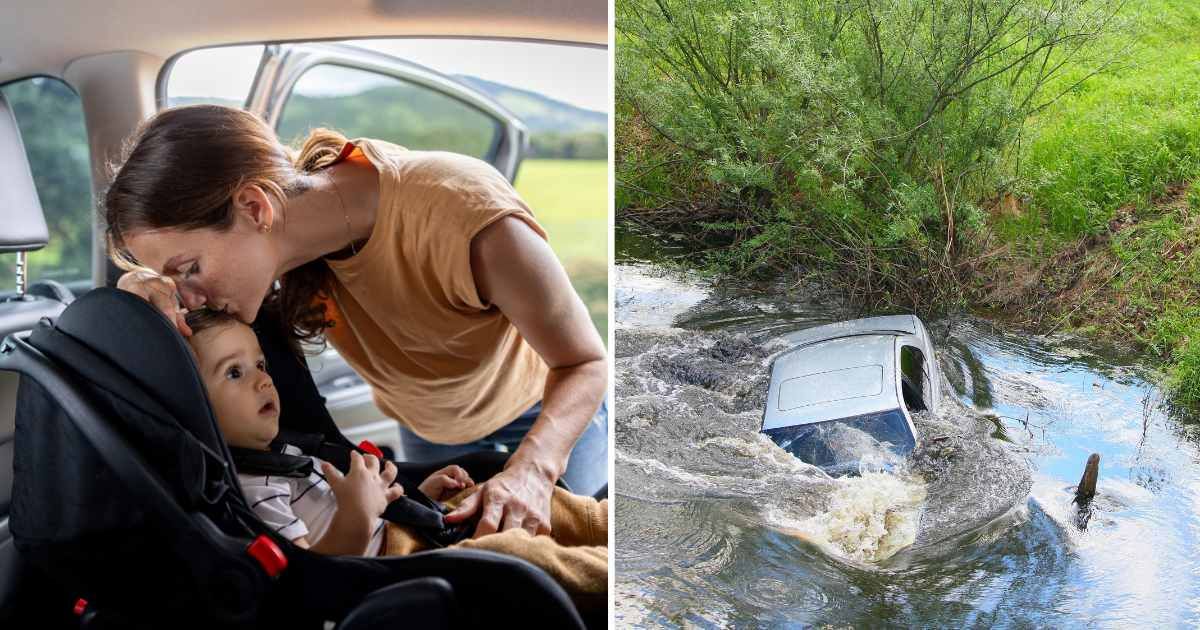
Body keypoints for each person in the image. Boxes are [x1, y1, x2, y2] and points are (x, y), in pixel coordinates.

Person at [103, 104, 608, 538]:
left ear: (254, 207)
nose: (190, 295)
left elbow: (585, 362)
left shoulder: (464, 213)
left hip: (541, 415)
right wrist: (140, 292)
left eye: (189, 268)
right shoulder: (276, 254)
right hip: (428, 426)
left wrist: (534, 469)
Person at [183, 308, 607, 607]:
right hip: (399, 563)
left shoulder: (291, 452)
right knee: (513, 550)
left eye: (260, 365)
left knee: (541, 503)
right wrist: (358, 512)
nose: (263, 381)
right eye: (235, 373)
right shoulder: (256, 493)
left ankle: (609, 526)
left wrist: (417, 496)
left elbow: (360, 508)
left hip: (415, 525)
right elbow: (315, 573)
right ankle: (616, 577)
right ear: (196, 407)